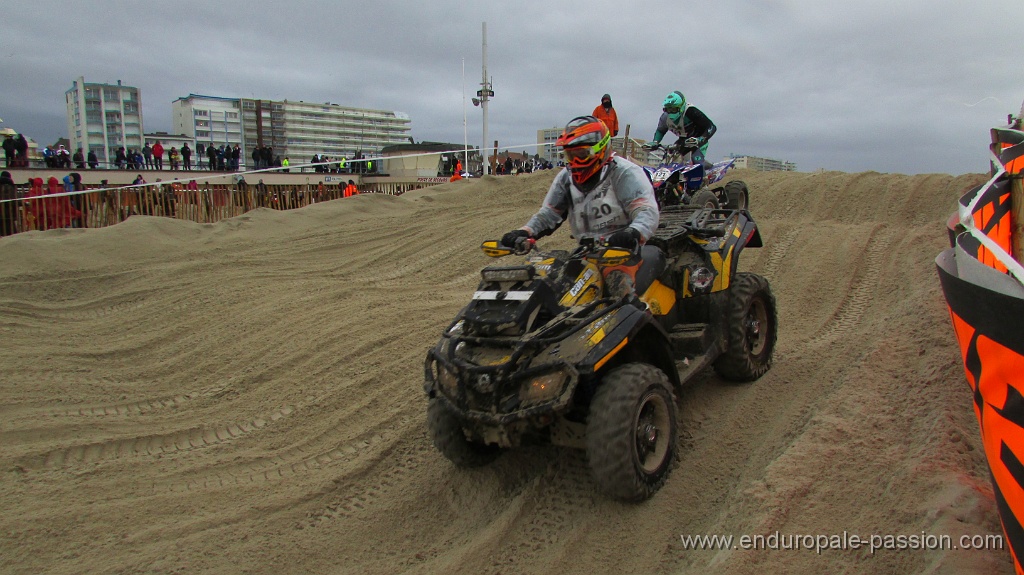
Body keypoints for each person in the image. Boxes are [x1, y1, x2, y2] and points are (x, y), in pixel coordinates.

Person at [501, 115, 660, 299]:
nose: (575, 161)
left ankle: (636, 318)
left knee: (618, 287)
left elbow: (646, 211)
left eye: (581, 154)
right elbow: (550, 214)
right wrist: (525, 231)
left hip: (622, 252)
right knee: (546, 282)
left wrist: (633, 233)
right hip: (585, 252)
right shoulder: (565, 178)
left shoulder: (625, 173)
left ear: (600, 149)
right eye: (570, 155)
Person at [648, 91, 717, 164]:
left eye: (673, 109)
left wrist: (702, 138)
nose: (670, 112)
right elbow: (660, 130)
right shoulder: (665, 117)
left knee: (697, 161)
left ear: (681, 106)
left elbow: (711, 126)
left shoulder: (691, 111)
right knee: (669, 159)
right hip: (683, 140)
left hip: (698, 139)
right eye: (668, 109)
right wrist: (655, 142)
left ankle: (704, 170)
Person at [0, 171, 18, 236]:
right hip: (9, 211)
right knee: (10, 230)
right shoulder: (11, 187)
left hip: (1, 211)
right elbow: (14, 200)